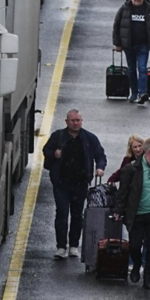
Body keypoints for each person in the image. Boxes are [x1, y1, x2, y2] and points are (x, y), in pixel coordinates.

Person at [42, 110, 107, 259]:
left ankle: (73, 245)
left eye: (78, 120)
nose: (76, 123)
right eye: (73, 120)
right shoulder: (58, 136)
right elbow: (46, 150)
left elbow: (100, 155)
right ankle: (60, 246)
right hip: (61, 183)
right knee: (62, 213)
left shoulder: (89, 138)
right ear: (66, 122)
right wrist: (54, 155)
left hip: (80, 183)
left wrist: (100, 168)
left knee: (77, 215)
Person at [113, 138, 150, 290]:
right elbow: (123, 193)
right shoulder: (131, 169)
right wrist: (118, 212)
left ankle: (148, 278)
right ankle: (137, 264)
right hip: (136, 215)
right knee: (134, 246)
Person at [113, 0, 150, 104]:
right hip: (128, 45)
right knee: (131, 70)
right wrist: (117, 44)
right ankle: (134, 93)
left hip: (143, 45)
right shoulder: (123, 10)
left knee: (142, 68)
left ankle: (142, 93)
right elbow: (116, 26)